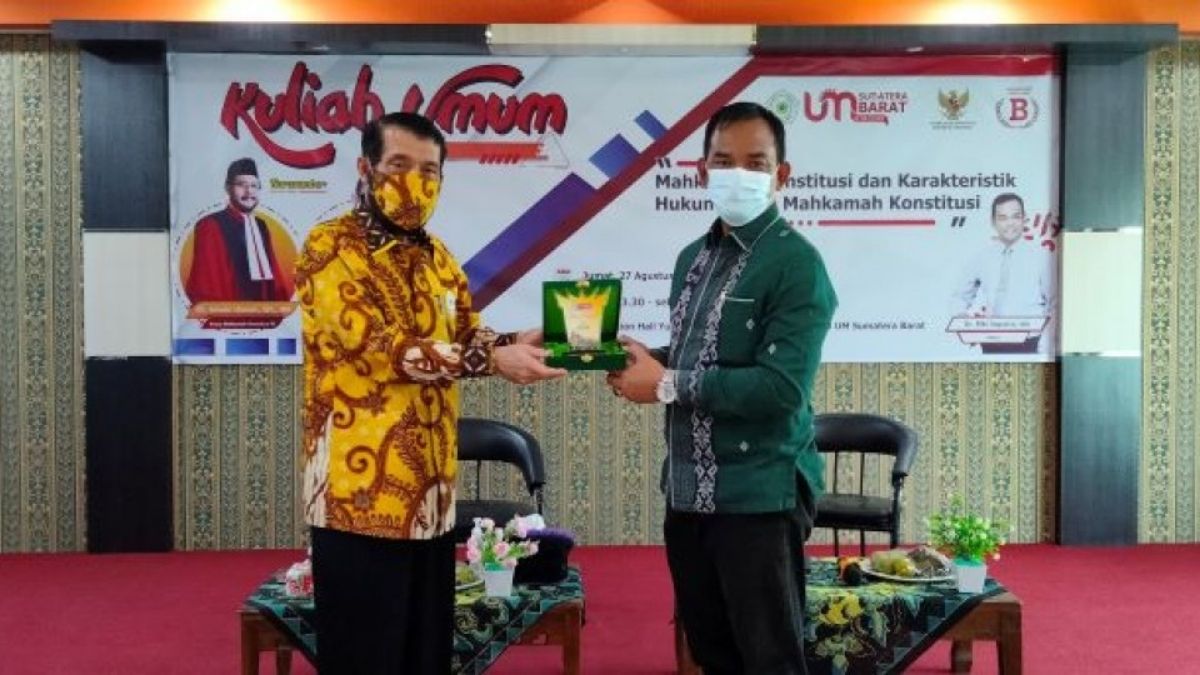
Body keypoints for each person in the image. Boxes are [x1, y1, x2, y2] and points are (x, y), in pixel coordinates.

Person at [295, 112, 565, 674]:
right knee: (366, 658)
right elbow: (380, 348)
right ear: (365, 168)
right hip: (360, 501)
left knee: (426, 657)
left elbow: (463, 335)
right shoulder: (330, 246)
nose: (414, 182)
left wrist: (516, 341)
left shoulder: (438, 258)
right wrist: (491, 359)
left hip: (431, 500)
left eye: (429, 171)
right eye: (399, 165)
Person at [607, 102, 838, 674]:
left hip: (760, 493)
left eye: (755, 163)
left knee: (770, 660)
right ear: (701, 171)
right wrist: (639, 359)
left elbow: (780, 389)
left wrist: (665, 383)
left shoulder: (797, 264)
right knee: (713, 655)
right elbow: (697, 357)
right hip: (687, 492)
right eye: (723, 161)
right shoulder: (693, 257)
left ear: (781, 175)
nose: (738, 174)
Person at [952, 192, 1056, 354]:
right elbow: (959, 296)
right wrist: (964, 324)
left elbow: (1055, 303)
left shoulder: (1041, 256)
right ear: (993, 222)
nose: (1010, 223)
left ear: (1024, 219)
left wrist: (1045, 341)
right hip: (990, 343)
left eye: (1016, 216)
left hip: (1030, 343)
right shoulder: (982, 257)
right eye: (1003, 218)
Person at [185, 157, 294, 303]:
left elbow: (273, 273)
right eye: (241, 185)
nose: (249, 191)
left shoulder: (261, 225)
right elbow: (207, 284)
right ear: (228, 188)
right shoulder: (210, 224)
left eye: (254, 185)